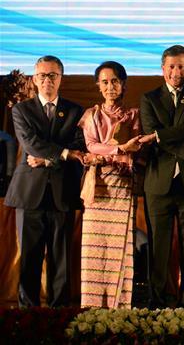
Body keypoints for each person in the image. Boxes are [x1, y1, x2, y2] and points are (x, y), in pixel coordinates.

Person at [6, 55, 87, 307]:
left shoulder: (76, 111)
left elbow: (78, 147)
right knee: (29, 258)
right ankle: (27, 315)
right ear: (34, 79)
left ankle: (58, 314)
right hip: (29, 193)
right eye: (42, 75)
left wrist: (47, 160)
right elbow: (30, 143)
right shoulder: (21, 110)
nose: (47, 80)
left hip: (63, 193)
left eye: (52, 75)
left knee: (60, 259)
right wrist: (62, 154)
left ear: (61, 78)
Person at [138, 45, 184, 308]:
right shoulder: (149, 98)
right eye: (171, 66)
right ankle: (156, 301)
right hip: (158, 182)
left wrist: (159, 135)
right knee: (158, 246)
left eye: (181, 66)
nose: (176, 72)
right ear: (162, 69)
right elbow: (151, 135)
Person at [78, 61, 144, 308]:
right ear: (98, 86)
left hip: (123, 185)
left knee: (119, 246)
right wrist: (120, 149)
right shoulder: (91, 115)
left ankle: (119, 304)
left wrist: (127, 150)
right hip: (98, 184)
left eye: (115, 81)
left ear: (123, 84)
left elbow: (137, 146)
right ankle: (92, 305)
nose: (110, 87)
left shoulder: (135, 115)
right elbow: (91, 146)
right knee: (95, 247)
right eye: (104, 82)